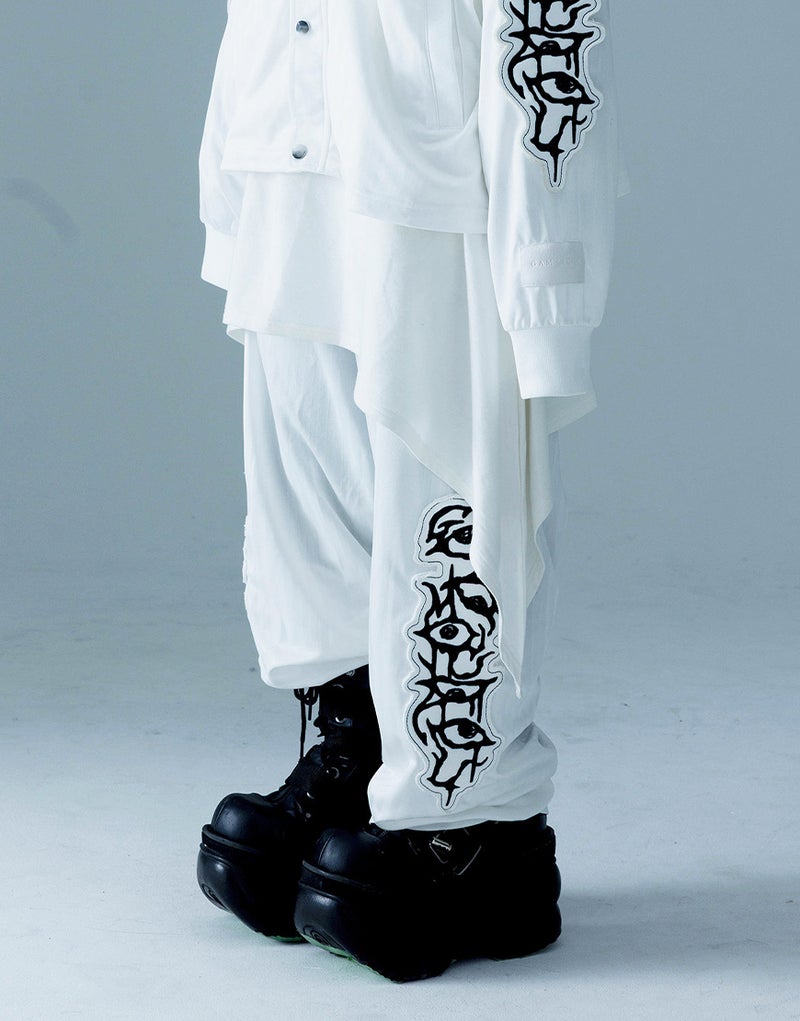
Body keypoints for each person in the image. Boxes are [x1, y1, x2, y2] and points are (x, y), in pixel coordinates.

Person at [194, 0, 629, 982]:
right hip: (289, 155)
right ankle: (362, 756)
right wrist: (230, 184)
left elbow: (548, 32)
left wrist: (548, 274)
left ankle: (474, 829)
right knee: (308, 483)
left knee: (448, 498)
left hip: (440, 180)